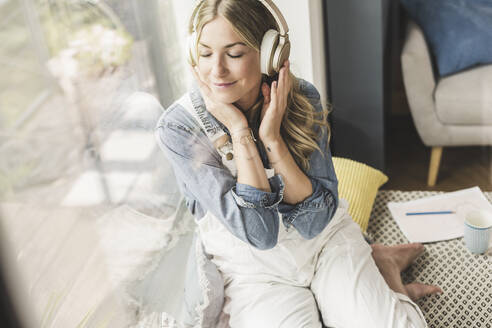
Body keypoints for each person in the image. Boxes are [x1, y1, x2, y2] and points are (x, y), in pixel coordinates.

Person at [155, 0, 442, 326]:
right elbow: (259, 233)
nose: (216, 70)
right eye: (205, 53)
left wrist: (273, 140)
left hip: (324, 245)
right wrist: (239, 132)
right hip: (256, 273)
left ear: (269, 54)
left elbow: (315, 221)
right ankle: (376, 265)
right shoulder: (179, 129)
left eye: (234, 54)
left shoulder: (301, 96)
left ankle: (381, 267)